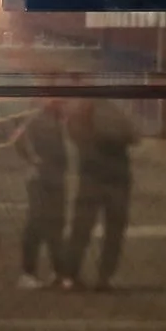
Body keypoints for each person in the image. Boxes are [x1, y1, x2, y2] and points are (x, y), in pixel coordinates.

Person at [59, 99, 140, 292]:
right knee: (87, 229)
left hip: (107, 178)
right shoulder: (86, 114)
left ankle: (94, 276)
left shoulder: (110, 110)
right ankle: (78, 275)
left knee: (104, 230)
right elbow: (130, 135)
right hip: (102, 178)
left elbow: (133, 135)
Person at [12, 101, 69, 289]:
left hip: (51, 178)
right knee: (38, 224)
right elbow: (17, 139)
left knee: (53, 225)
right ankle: (29, 273)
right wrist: (33, 159)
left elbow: (17, 139)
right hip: (42, 179)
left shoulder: (51, 121)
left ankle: (58, 272)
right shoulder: (41, 121)